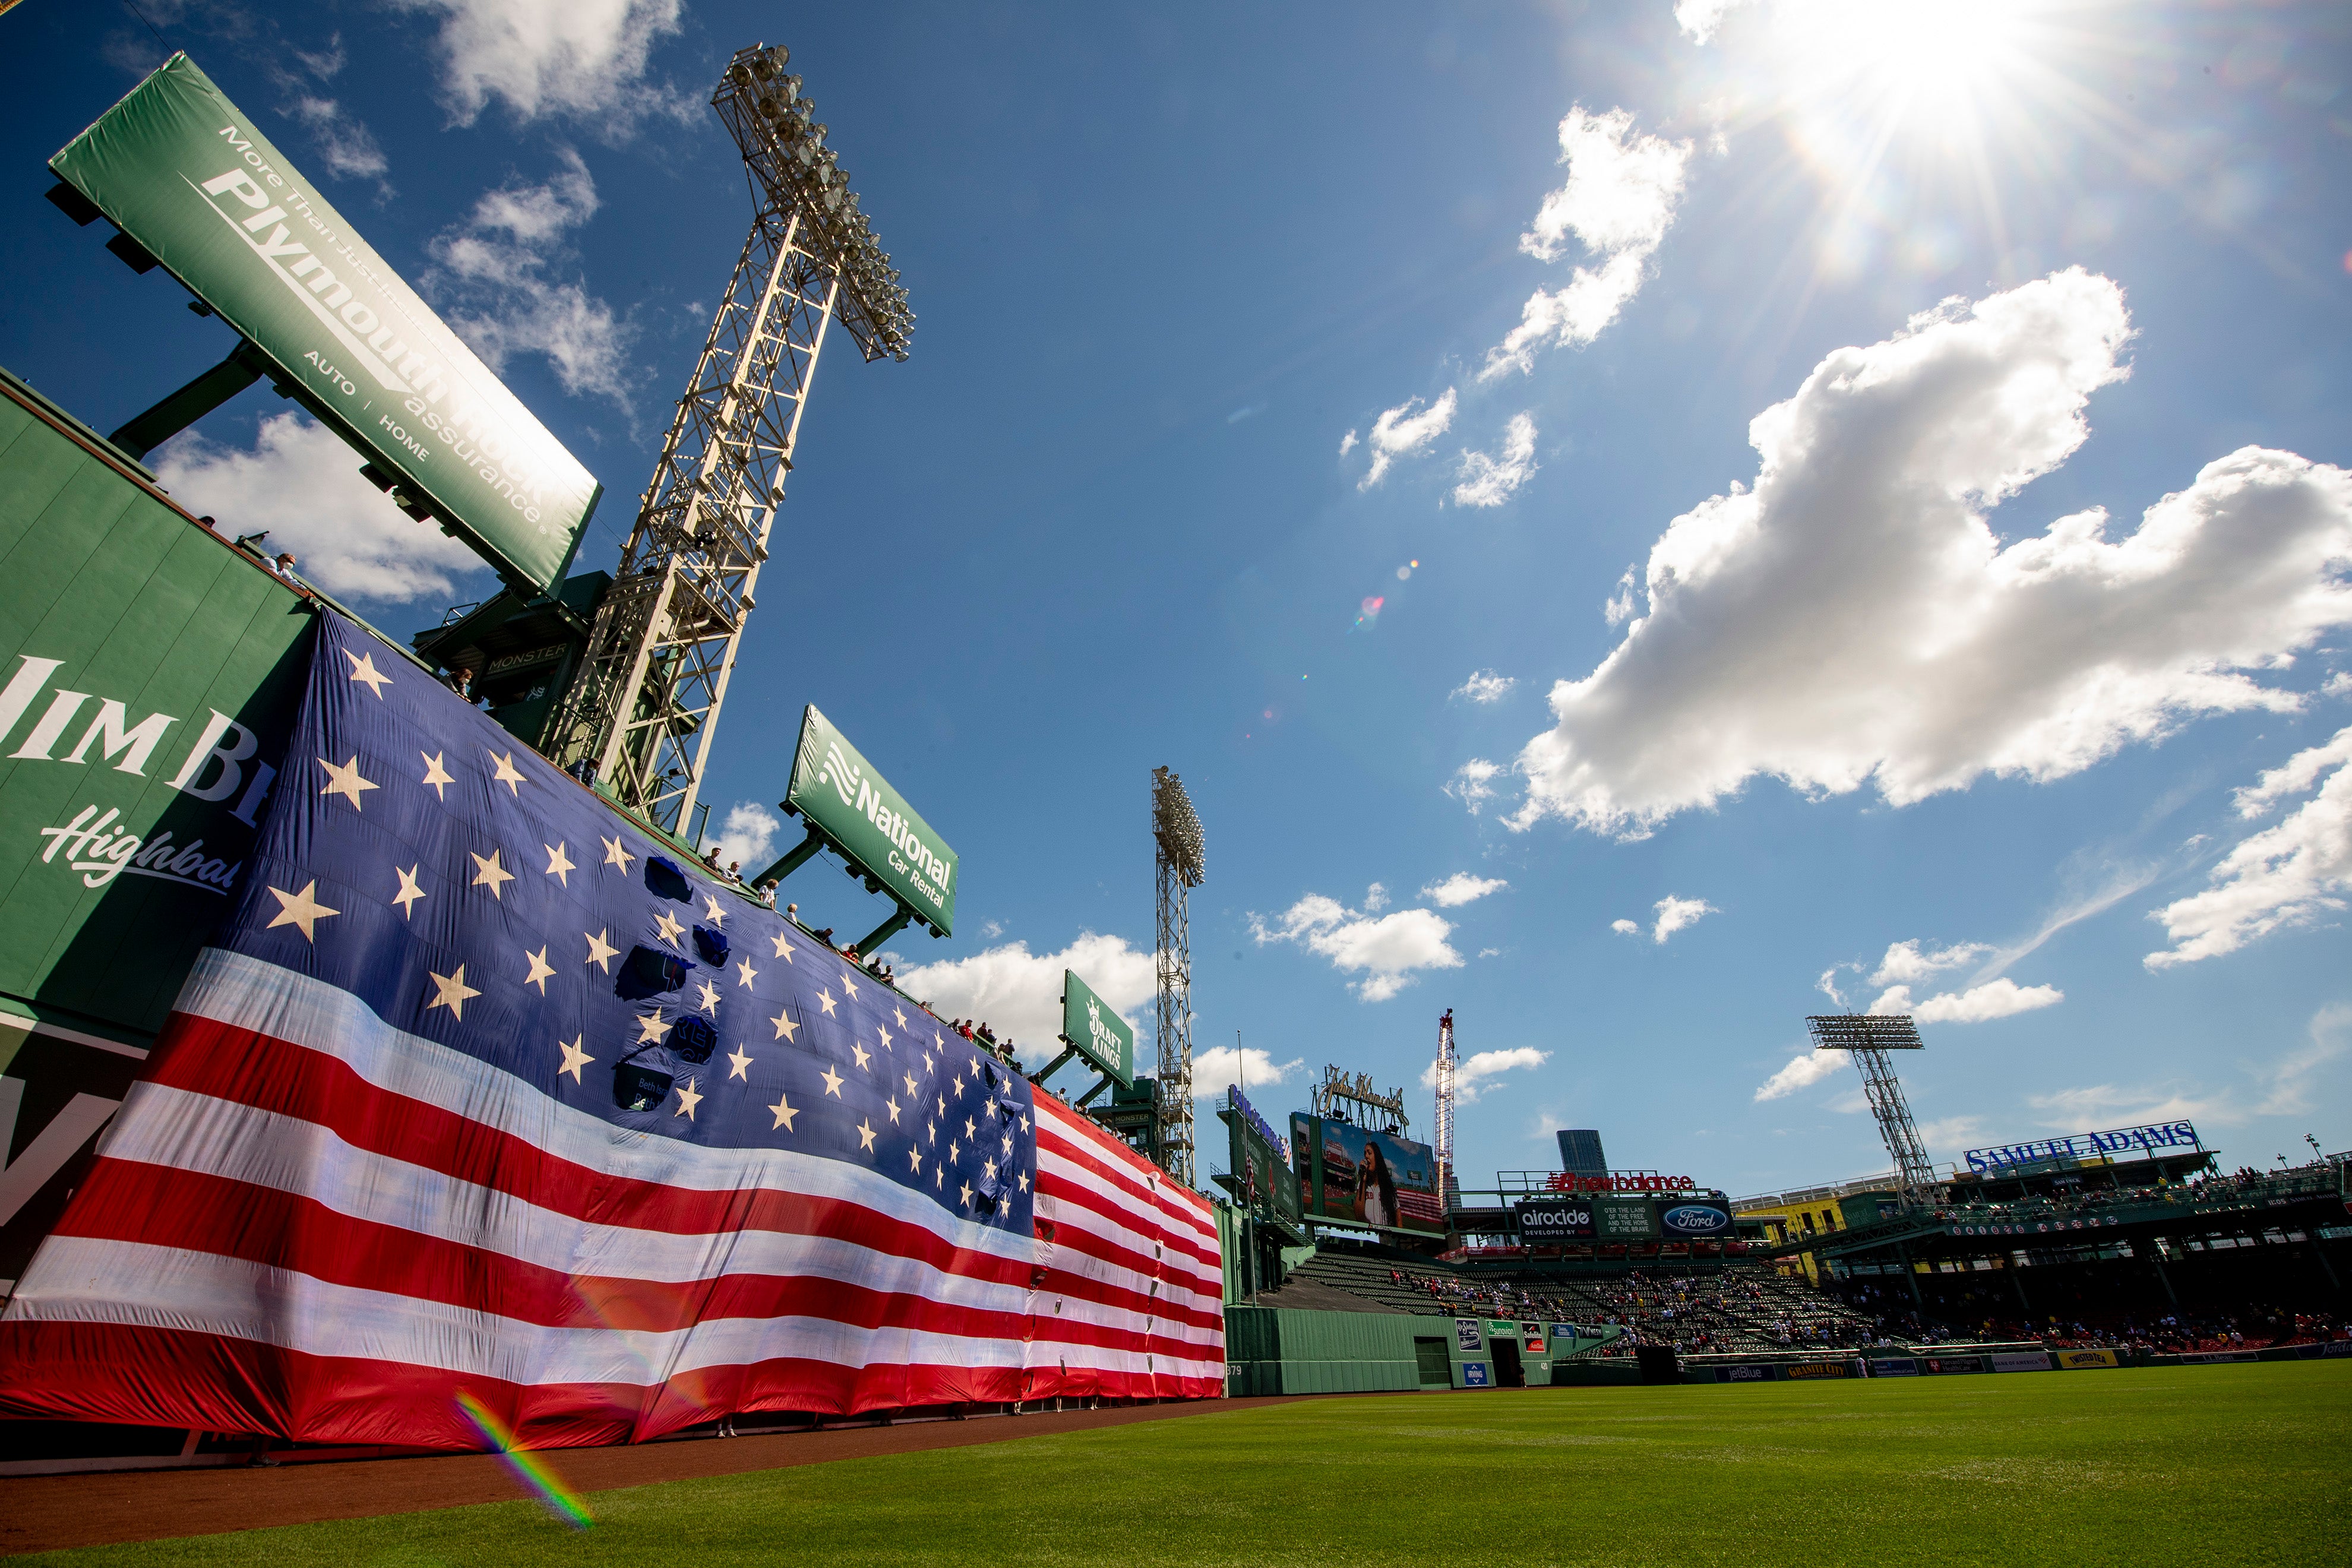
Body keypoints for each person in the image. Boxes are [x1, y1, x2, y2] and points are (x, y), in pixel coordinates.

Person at [1359, 1140, 1397, 1228]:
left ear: (1377, 1157)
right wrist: (1363, 1182)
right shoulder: (1363, 1183)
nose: (1366, 1156)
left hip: (1389, 1239)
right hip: (1370, 1237)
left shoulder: (1388, 1186)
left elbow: (1398, 1219)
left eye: (1369, 1153)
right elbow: (1359, 1216)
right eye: (1365, 1153)